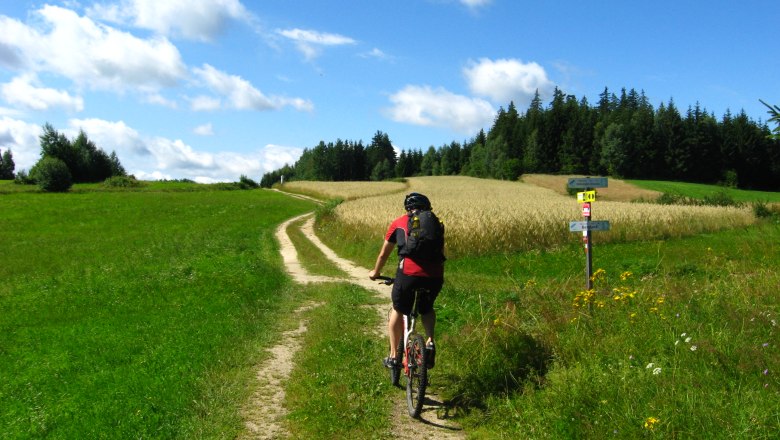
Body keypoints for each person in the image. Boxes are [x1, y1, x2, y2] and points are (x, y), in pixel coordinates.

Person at [369, 192, 444, 369]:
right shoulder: (437, 224)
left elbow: (383, 254)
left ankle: (394, 356)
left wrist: (375, 272)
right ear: (427, 207)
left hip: (408, 274)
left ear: (407, 208)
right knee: (427, 308)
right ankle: (430, 341)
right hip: (435, 275)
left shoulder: (399, 223)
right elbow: (441, 253)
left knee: (398, 308)